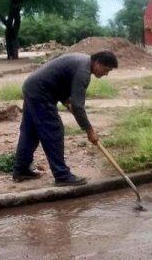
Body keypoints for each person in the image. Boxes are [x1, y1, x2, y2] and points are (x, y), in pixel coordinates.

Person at [13, 50, 118, 186]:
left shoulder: (83, 61)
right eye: (106, 69)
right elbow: (78, 106)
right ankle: (62, 176)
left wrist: (66, 100)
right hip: (41, 93)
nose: (106, 74)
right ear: (97, 63)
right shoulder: (84, 72)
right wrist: (89, 130)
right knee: (54, 131)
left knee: (30, 132)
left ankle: (21, 170)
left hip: (32, 87)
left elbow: (60, 79)